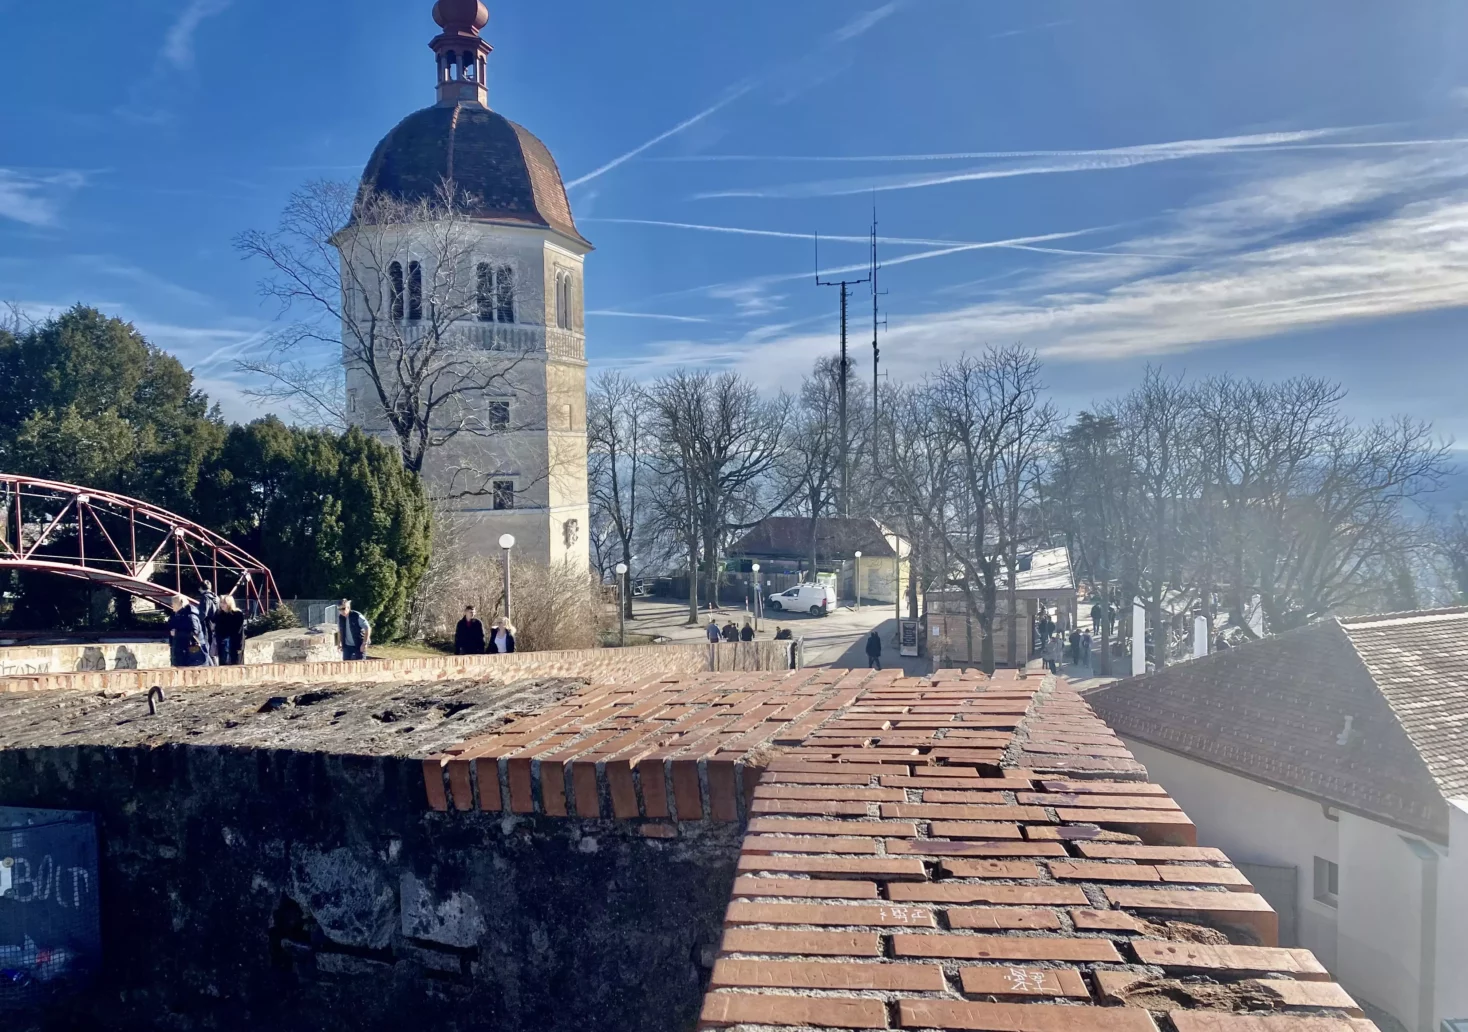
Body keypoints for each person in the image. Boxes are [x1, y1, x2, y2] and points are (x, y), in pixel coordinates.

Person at [167, 594, 210, 668]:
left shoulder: (190, 616)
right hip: (180, 648)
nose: (172, 605)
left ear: (179, 603)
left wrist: (176, 633)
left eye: (173, 603)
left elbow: (195, 632)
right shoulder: (176, 615)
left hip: (190, 648)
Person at [214, 595, 246, 666]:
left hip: (234, 643)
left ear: (229, 603)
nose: (222, 604)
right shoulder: (219, 614)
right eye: (221, 602)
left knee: (235, 663)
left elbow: (239, 632)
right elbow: (216, 628)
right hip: (222, 643)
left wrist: (240, 646)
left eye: (224, 603)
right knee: (223, 664)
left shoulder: (237, 614)